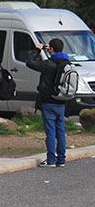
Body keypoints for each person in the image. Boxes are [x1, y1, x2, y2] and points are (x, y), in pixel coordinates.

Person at [27, 38, 70, 167]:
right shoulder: (66, 63)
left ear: (51, 49)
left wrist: (37, 50)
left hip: (48, 101)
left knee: (50, 131)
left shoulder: (48, 64)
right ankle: (61, 159)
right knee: (60, 131)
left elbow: (30, 62)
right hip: (61, 100)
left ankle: (51, 159)